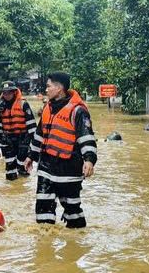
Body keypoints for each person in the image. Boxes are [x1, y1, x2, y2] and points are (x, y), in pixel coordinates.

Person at [24, 72, 97, 228]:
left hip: (69, 168)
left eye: (49, 86)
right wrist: (31, 155)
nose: (46, 90)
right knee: (43, 211)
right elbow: (39, 134)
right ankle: (44, 247)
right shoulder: (47, 108)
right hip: (46, 167)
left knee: (72, 211)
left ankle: (76, 243)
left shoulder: (78, 111)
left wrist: (89, 160)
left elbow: (86, 137)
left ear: (59, 88)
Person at [0, 81, 37, 180]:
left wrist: (33, 146)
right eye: (5, 93)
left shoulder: (23, 104)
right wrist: (0, 144)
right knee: (10, 169)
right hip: (8, 140)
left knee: (22, 166)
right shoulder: (0, 108)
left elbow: (32, 126)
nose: (7, 95)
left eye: (9, 92)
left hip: (23, 138)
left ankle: (22, 188)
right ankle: (11, 189)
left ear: (14, 92)